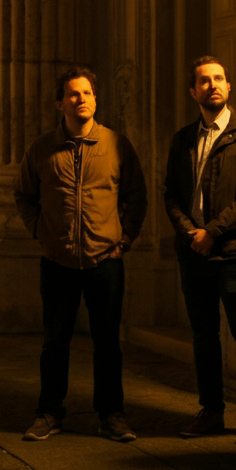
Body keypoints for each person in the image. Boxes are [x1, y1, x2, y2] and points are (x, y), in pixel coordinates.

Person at [15, 68, 148, 442]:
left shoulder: (116, 144)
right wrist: (41, 231)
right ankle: (49, 412)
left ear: (95, 98)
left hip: (105, 260)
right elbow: (24, 196)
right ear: (61, 103)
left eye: (87, 93)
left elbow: (136, 196)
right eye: (73, 94)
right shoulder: (42, 149)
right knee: (54, 341)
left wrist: (125, 238)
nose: (82, 99)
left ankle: (111, 415)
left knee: (107, 342)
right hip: (57, 261)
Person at [163, 56, 236, 442]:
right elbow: (172, 195)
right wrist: (191, 232)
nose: (214, 85)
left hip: (232, 251)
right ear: (194, 91)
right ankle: (211, 410)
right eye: (205, 81)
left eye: (220, 78)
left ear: (229, 86)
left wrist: (212, 232)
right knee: (203, 336)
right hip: (193, 253)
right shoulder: (182, 139)